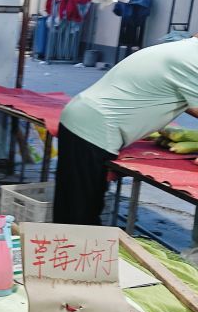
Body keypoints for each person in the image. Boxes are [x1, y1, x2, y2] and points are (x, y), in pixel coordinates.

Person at [53, 35, 198, 225]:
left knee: (75, 203)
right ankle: (72, 249)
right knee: (80, 214)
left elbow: (182, 97)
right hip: (94, 127)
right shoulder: (193, 59)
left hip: (86, 118)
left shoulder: (182, 50)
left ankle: (68, 247)